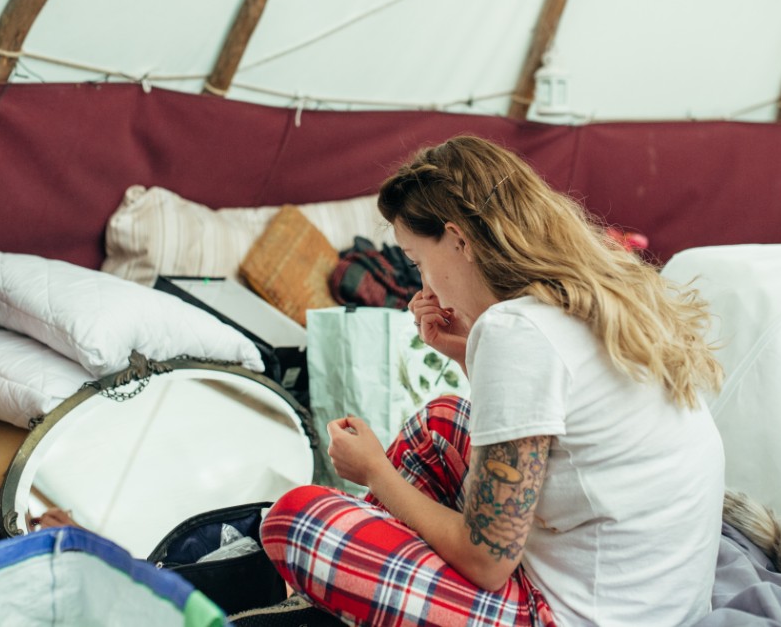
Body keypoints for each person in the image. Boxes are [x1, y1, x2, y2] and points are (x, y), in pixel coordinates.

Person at [250, 135, 726, 626]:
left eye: (418, 262)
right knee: (439, 423)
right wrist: (463, 349)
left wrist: (376, 474)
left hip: (573, 615)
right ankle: (374, 583)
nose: (423, 287)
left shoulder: (516, 331)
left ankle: (359, 584)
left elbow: (488, 561)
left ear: (459, 240)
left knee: (295, 519)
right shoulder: (591, 298)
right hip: (663, 601)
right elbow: (553, 419)